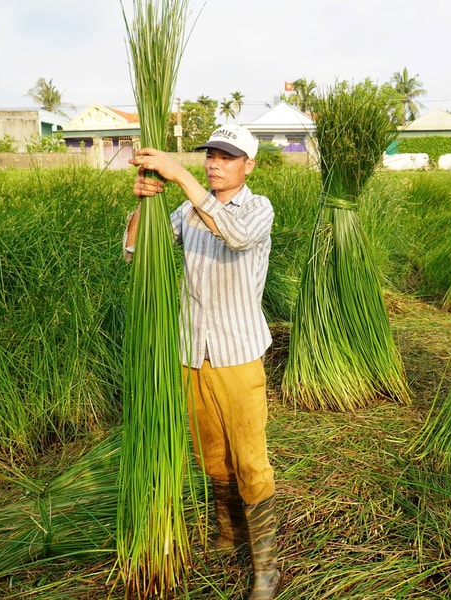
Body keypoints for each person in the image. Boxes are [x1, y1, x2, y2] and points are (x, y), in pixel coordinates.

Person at [123, 124, 280, 600]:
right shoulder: (184, 210)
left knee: (251, 461)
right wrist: (144, 203)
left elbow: (233, 236)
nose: (214, 163)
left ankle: (267, 568)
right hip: (193, 352)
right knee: (211, 456)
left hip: (237, 354)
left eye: (227, 157)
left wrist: (182, 177)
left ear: (248, 165)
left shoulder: (257, 208)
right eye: (210, 155)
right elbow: (134, 252)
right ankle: (228, 533)